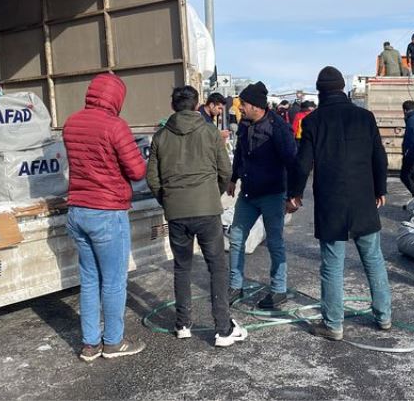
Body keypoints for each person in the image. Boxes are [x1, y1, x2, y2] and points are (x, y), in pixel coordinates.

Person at [288, 66, 391, 340]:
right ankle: (384, 316)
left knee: (333, 264)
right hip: (363, 198)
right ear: (343, 89)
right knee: (373, 258)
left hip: (331, 201)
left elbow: (302, 163)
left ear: (320, 92)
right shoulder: (365, 117)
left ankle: (333, 325)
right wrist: (380, 188)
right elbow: (379, 156)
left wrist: (294, 194)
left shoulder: (313, 121)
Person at [146, 85, 247, 347]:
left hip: (177, 212)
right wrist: (211, 194)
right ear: (196, 105)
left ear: (173, 106)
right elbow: (226, 171)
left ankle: (183, 324)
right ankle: (223, 329)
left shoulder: (160, 137)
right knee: (217, 268)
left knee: (182, 267)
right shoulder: (210, 132)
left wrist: (168, 199)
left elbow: (153, 179)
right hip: (206, 210)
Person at [62, 73, 147, 361]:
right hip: (107, 212)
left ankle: (89, 345)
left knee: (89, 280)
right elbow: (137, 172)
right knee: (113, 281)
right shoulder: (115, 126)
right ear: (116, 98)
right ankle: (113, 342)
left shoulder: (71, 123)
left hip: (77, 210)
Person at [228, 81, 297, 309]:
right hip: (248, 194)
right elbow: (239, 152)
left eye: (243, 104)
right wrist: (233, 179)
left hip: (272, 195)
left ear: (257, 106)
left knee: (275, 244)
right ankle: (235, 286)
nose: (240, 108)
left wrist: (293, 195)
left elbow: (291, 161)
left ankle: (278, 290)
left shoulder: (278, 128)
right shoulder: (246, 125)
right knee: (237, 238)